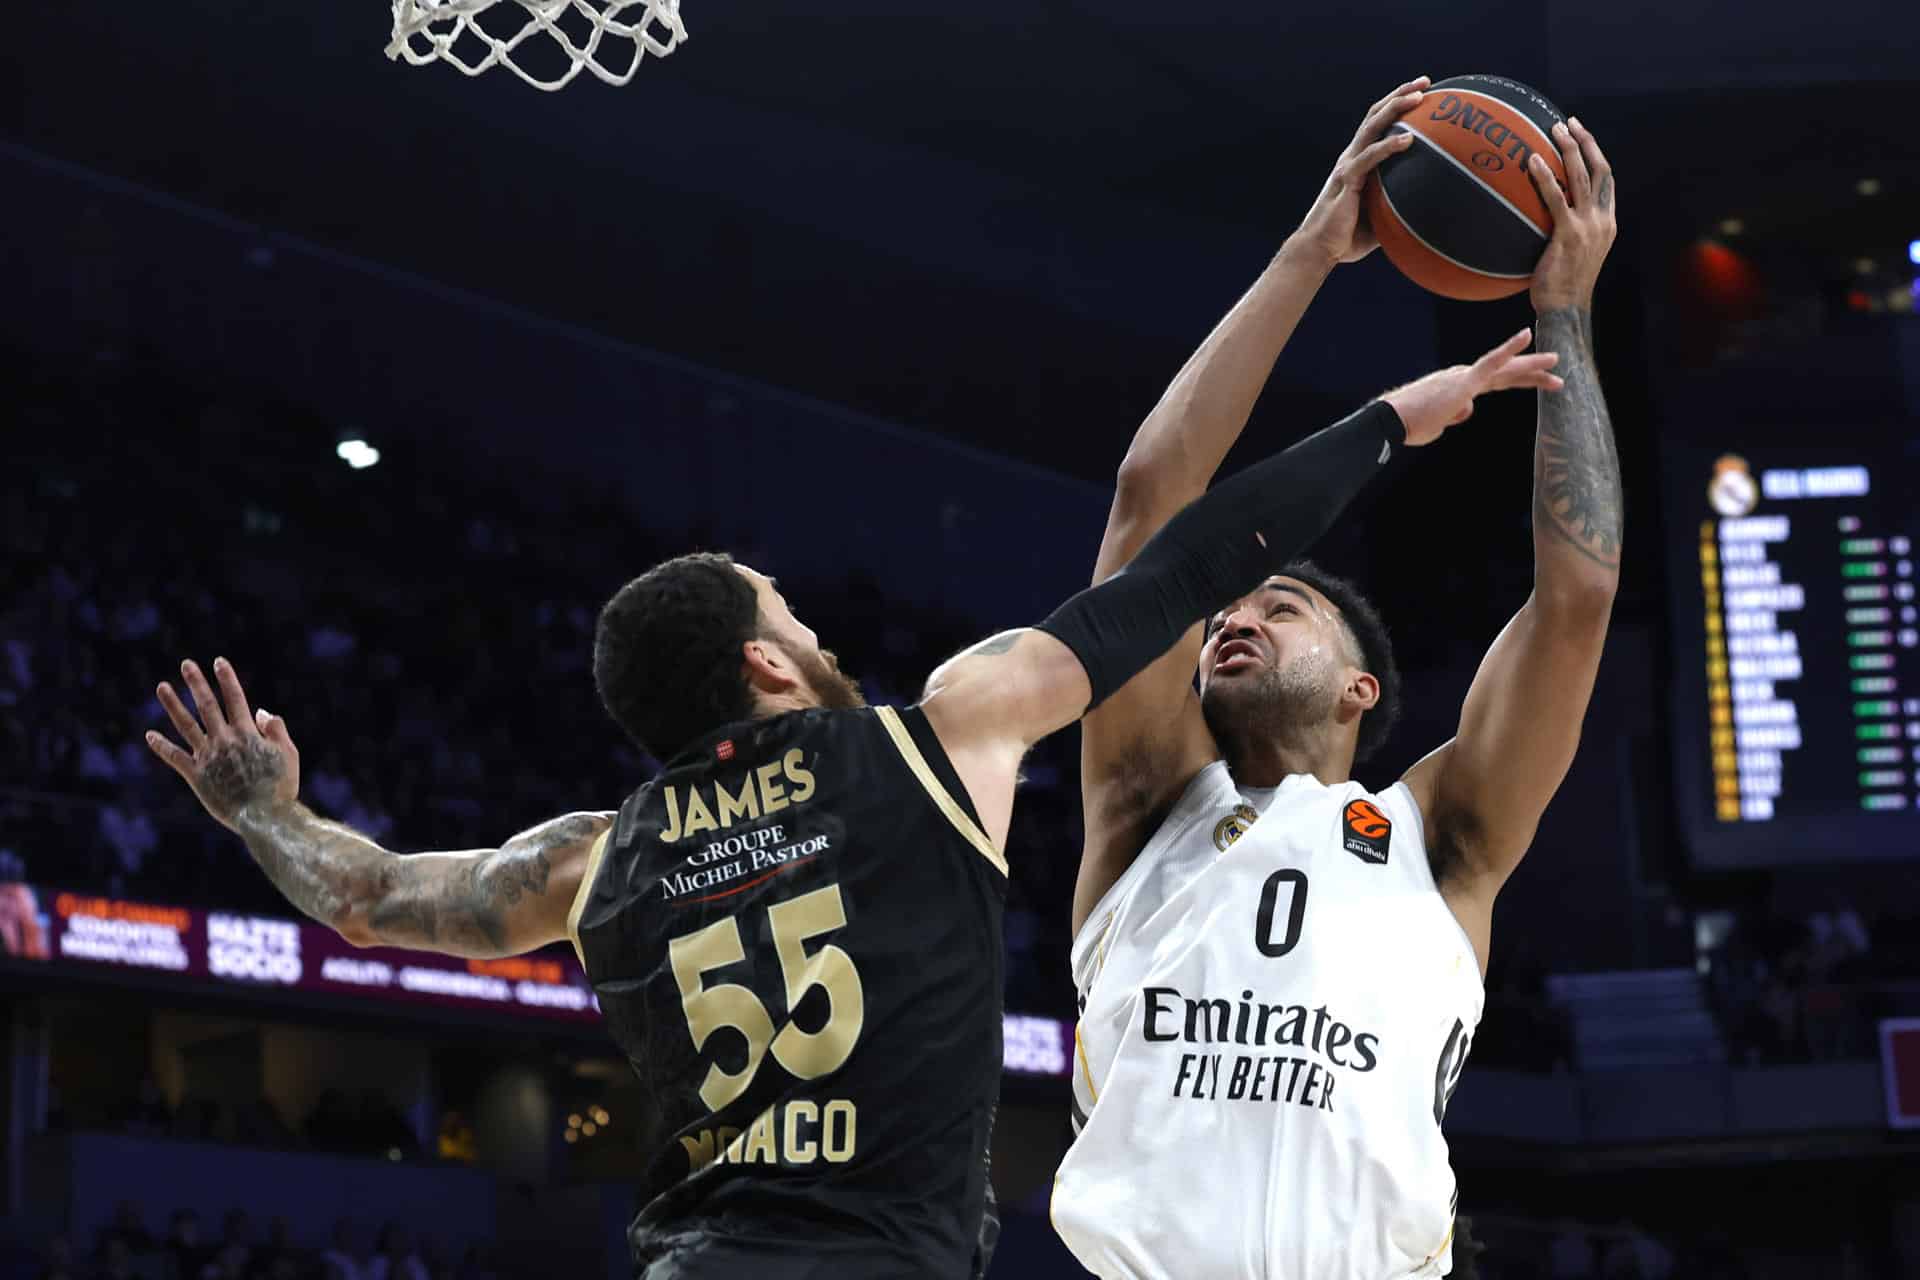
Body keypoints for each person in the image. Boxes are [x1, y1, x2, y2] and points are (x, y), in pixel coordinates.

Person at [146, 347, 1540, 1279]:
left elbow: (373, 899)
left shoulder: (593, 856)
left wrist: (261, 811)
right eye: (792, 618)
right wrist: (1390, 425)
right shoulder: (929, 748)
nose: (814, 631)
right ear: (764, 664)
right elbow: (1176, 569)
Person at [1050, 81, 1621, 1279]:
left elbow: (1576, 601)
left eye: (1283, 602)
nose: (1234, 616)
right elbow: (1154, 501)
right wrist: (1313, 250)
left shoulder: (1443, 838)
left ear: (1363, 689)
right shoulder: (1145, 797)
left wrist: (1563, 313)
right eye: (1229, 606)